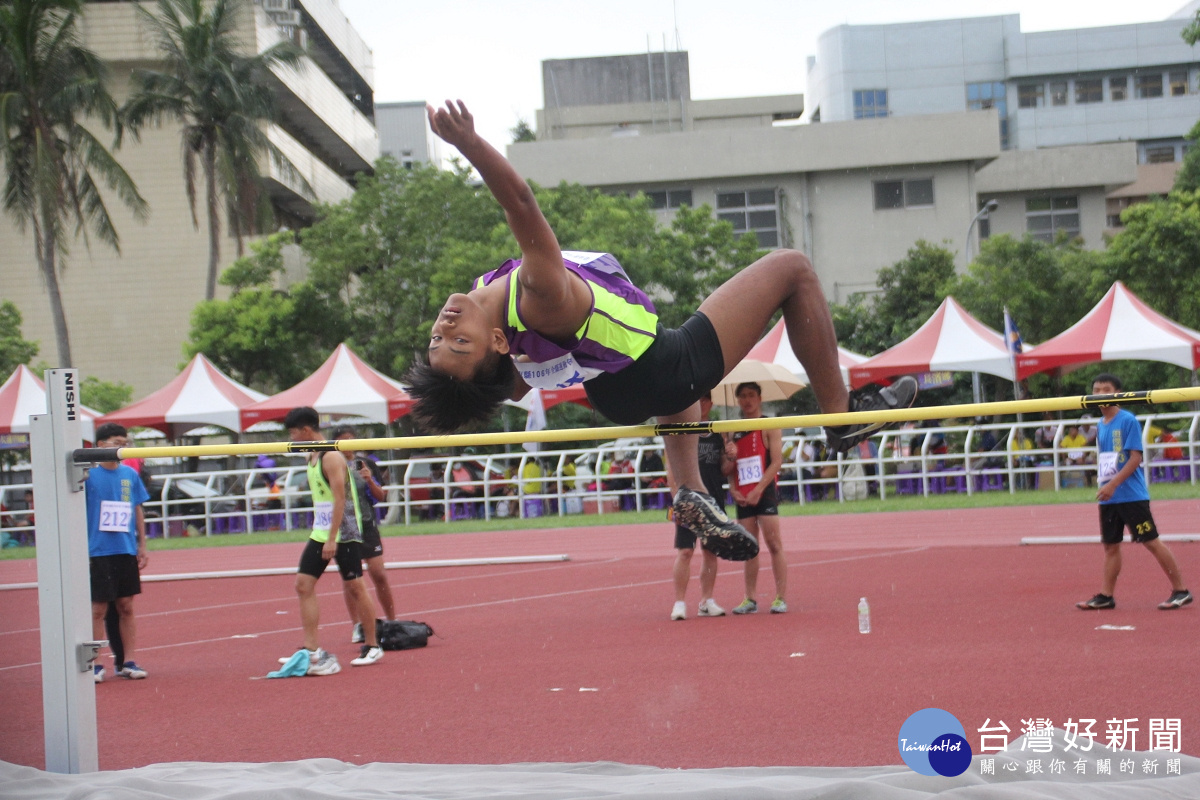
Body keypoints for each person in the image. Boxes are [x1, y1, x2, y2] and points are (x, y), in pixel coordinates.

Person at [405, 100, 917, 561]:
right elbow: (520, 202)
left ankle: (690, 489)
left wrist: (477, 382)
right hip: (655, 368)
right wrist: (468, 143)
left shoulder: (493, 302)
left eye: (439, 340)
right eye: (459, 343)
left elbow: (515, 382)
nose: (445, 327)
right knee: (793, 270)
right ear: (495, 343)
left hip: (614, 387)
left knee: (678, 380)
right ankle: (841, 418)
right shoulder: (539, 292)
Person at [1076, 374, 1192, 612]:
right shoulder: (1100, 424)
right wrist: (1105, 483)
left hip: (1130, 495)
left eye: (1105, 389)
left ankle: (1181, 590)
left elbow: (1135, 458)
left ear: (1118, 392)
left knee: (1151, 541)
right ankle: (1106, 595)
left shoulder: (1127, 420)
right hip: (1111, 495)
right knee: (1111, 545)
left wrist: (1113, 484)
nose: (1100, 394)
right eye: (1096, 390)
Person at [282, 407, 383, 673]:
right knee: (303, 585)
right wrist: (323, 535)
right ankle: (311, 648)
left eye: (294, 433)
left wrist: (332, 539)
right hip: (321, 530)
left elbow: (341, 499)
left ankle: (373, 645)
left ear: (305, 431)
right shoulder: (312, 455)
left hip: (343, 532)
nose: (292, 438)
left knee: (355, 587)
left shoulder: (331, 457)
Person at [86, 423, 150, 682]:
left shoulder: (129, 474)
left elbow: (136, 509)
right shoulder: (88, 475)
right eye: (116, 441)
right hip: (97, 550)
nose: (123, 446)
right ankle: (95, 664)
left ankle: (129, 661)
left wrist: (142, 544)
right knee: (98, 609)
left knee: (126, 606)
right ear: (100, 445)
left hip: (124, 548)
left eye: (125, 441)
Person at [726, 383, 788, 615]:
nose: (747, 400)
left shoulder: (769, 425)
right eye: (742, 396)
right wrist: (732, 489)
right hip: (742, 494)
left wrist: (759, 488)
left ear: (760, 398)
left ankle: (780, 597)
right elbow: (731, 466)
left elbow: (777, 462)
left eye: (751, 395)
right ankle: (750, 598)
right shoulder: (733, 430)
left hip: (764, 492)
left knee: (774, 544)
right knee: (749, 547)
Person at [331, 426, 397, 644]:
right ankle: (357, 625)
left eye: (352, 439)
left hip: (367, 526)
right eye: (344, 441)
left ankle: (391, 621)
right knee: (352, 579)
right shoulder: (331, 464)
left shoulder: (367, 464)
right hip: (345, 527)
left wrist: (369, 480)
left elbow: (380, 497)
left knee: (379, 574)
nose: (349, 444)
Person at [670, 392, 726, 621]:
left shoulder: (717, 433)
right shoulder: (678, 431)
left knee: (710, 551)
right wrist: (679, 500)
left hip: (712, 500)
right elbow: (671, 473)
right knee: (685, 551)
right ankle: (680, 602)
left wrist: (730, 457)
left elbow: (723, 470)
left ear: (709, 404)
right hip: (687, 500)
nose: (697, 405)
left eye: (701, 401)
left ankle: (707, 600)